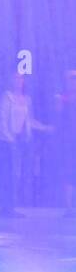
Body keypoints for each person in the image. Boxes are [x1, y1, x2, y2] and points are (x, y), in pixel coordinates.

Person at [0, 73, 52, 217]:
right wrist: (9, 138)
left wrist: (45, 127)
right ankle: (5, 207)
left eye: (20, 78)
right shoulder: (7, 97)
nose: (18, 81)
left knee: (17, 173)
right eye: (15, 78)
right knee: (7, 173)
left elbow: (29, 120)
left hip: (20, 140)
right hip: (6, 141)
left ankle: (11, 206)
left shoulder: (27, 100)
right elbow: (1, 119)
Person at [56, 70, 76, 217]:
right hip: (68, 141)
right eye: (70, 80)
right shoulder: (63, 99)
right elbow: (59, 116)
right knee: (69, 174)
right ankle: (69, 208)